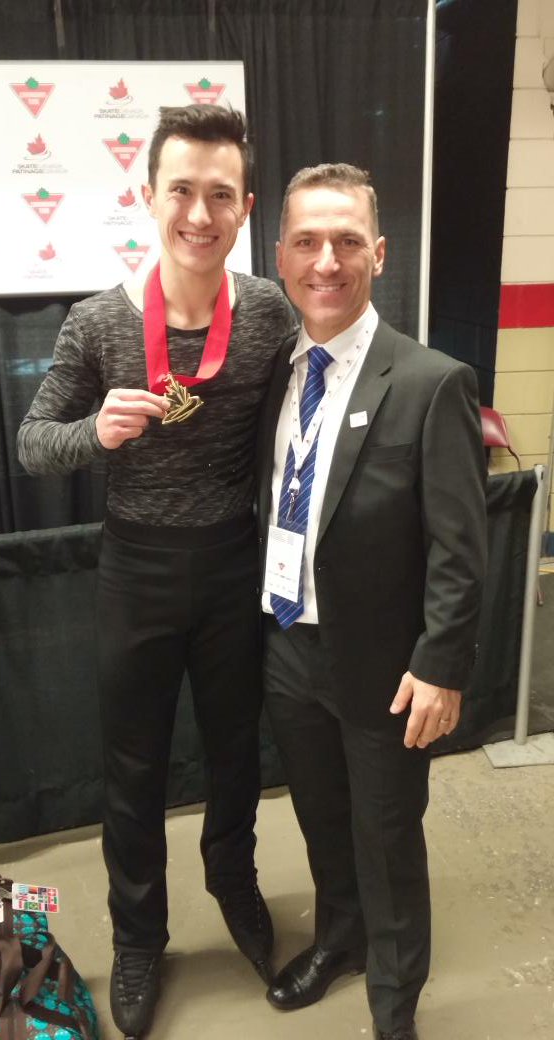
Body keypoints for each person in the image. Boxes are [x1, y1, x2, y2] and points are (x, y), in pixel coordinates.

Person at [17, 104, 296, 1039]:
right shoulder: (99, 322)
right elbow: (32, 442)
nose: (199, 213)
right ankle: (139, 936)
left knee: (235, 753)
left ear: (245, 206)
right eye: (181, 190)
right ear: (149, 198)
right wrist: (94, 433)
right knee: (132, 768)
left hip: (231, 565)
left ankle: (235, 886)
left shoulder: (266, 314)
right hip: (134, 566)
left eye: (221, 194)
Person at [257, 163, 487, 1040]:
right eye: (307, 242)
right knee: (322, 823)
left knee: (386, 839)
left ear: (378, 254)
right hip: (288, 646)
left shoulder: (431, 382)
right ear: (280, 255)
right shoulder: (275, 375)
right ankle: (339, 940)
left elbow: (460, 548)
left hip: (386, 671)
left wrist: (440, 666)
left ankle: (393, 1008)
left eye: (346, 241)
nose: (326, 261)